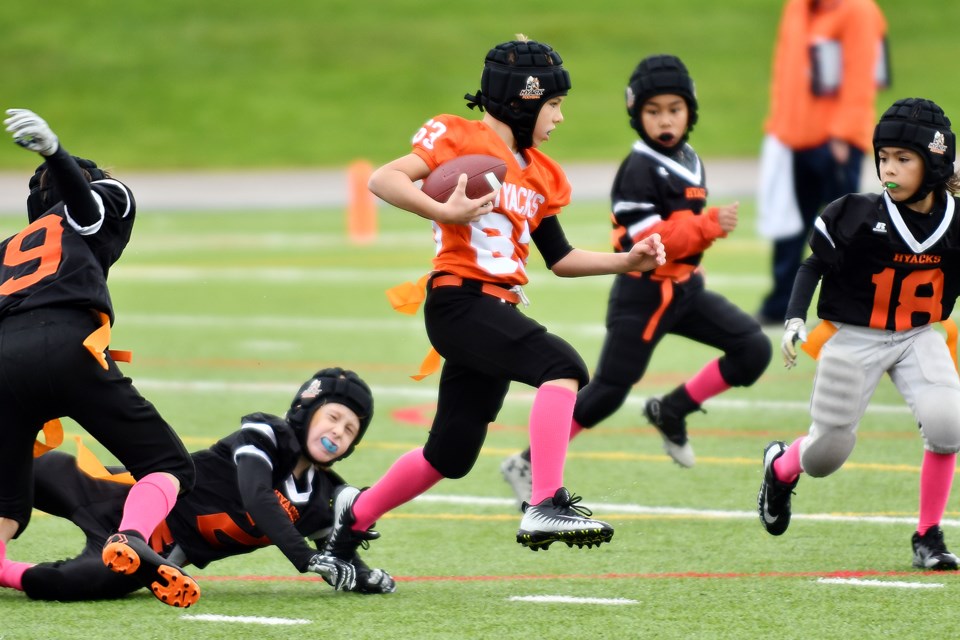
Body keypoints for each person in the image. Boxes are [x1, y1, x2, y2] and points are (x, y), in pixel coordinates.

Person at [321, 35, 665, 557]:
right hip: (459, 301)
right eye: (554, 105)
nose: (559, 118)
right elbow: (383, 179)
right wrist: (443, 211)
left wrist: (628, 261)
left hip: (494, 308)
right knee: (562, 366)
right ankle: (544, 501)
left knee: (450, 455)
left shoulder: (544, 174)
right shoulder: (459, 136)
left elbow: (561, 258)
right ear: (523, 99)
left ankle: (351, 521)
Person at [499, 55, 771, 505]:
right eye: (653, 111)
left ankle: (672, 409)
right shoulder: (639, 168)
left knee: (753, 348)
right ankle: (524, 462)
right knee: (606, 391)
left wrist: (698, 240)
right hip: (642, 293)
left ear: (690, 111)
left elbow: (681, 231)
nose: (665, 120)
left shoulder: (687, 157)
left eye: (674, 109)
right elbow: (646, 240)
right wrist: (707, 226)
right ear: (635, 113)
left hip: (684, 288)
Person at [0, 108, 203, 607]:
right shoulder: (96, 201)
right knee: (169, 465)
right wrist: (54, 152)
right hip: (69, 344)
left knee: (6, 499)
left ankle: (9, 571)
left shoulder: (8, 248)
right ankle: (129, 536)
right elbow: (88, 210)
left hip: (4, 362)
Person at [758, 98, 960, 570]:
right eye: (884, 157)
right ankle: (781, 467)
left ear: (934, 163)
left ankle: (928, 535)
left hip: (919, 333)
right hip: (856, 336)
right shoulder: (854, 213)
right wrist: (794, 319)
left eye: (903, 158)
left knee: (949, 423)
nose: (888, 168)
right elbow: (813, 267)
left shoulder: (955, 221)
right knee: (827, 453)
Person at [0, 368, 397, 601]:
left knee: (76, 583)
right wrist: (304, 557)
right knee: (26, 470)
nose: (338, 432)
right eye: (333, 417)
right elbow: (257, 497)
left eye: (350, 429)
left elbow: (338, 550)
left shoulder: (323, 496)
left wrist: (363, 575)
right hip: (124, 496)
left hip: (157, 554)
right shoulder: (266, 435)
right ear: (306, 408)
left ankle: (3, 571)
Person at [755, 0, 889, 325]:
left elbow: (860, 74)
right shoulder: (799, 7)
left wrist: (843, 133)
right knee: (790, 226)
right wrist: (779, 128)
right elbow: (786, 70)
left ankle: (854, 303)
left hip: (834, 143)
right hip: (794, 138)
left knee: (845, 229)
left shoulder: (857, 10)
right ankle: (780, 304)